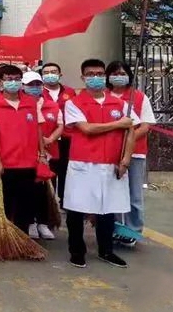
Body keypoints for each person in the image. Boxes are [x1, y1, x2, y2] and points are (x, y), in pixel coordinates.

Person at [64, 59, 137, 269]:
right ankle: (77, 251)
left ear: (105, 76)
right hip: (83, 163)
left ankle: (106, 250)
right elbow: (87, 129)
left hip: (111, 163)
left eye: (99, 73)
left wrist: (126, 159)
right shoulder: (74, 103)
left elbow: (131, 131)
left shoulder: (120, 104)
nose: (95, 78)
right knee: (76, 209)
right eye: (90, 74)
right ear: (83, 77)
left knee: (107, 209)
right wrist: (117, 124)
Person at [0, 65, 46, 234]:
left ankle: (22, 237)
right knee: (6, 203)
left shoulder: (31, 103)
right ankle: (5, 237)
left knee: (26, 204)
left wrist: (42, 154)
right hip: (6, 163)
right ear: (0, 82)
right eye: (9, 79)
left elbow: (38, 129)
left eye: (17, 79)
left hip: (29, 162)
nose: (13, 82)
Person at [106, 60, 155, 248]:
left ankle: (133, 229)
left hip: (135, 153)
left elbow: (145, 125)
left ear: (129, 75)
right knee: (113, 192)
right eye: (114, 73)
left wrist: (128, 139)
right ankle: (115, 226)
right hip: (109, 152)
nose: (118, 77)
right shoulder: (104, 96)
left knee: (134, 194)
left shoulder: (139, 97)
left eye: (122, 73)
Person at [23, 71, 62, 240]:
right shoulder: (22, 105)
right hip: (27, 155)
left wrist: (50, 139)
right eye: (30, 85)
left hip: (49, 154)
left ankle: (43, 223)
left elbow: (60, 125)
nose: (34, 87)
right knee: (30, 189)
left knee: (46, 190)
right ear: (23, 86)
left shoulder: (52, 105)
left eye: (37, 84)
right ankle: (30, 222)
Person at [40, 62, 77, 207]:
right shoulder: (38, 91)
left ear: (60, 74)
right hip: (47, 139)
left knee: (66, 170)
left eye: (53, 72)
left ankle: (65, 201)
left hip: (67, 137)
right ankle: (49, 204)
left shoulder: (70, 92)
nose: (50, 75)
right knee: (49, 170)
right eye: (46, 72)